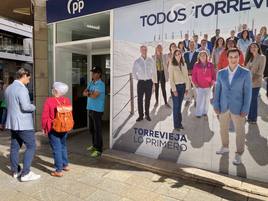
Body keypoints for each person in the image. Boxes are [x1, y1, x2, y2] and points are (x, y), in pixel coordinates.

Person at [214, 48, 252, 165]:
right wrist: (216, 104)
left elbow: (248, 93)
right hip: (223, 106)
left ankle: (239, 153)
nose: (233, 59)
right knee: (223, 129)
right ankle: (225, 147)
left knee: (240, 132)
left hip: (238, 108)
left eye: (236, 57)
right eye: (231, 57)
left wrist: (245, 109)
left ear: (239, 58)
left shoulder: (245, 73)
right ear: (227, 58)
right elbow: (217, 90)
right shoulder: (221, 73)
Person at [5, 68, 40, 181]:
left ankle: (15, 171)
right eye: (28, 78)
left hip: (13, 123)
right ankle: (26, 173)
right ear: (24, 75)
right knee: (31, 146)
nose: (29, 81)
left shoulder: (8, 88)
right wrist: (33, 106)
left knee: (15, 147)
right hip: (24, 124)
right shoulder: (22, 89)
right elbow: (25, 107)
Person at [42, 82, 71, 177]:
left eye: (53, 88)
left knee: (56, 148)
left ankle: (58, 170)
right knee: (63, 146)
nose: (52, 89)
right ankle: (65, 165)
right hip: (64, 127)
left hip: (53, 127)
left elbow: (45, 116)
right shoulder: (67, 100)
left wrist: (44, 128)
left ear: (56, 90)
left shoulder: (49, 101)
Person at [83, 67, 105, 157]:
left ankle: (99, 149)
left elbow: (95, 95)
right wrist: (89, 93)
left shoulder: (101, 84)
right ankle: (94, 145)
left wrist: (88, 93)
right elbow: (84, 92)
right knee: (92, 129)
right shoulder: (91, 83)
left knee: (97, 130)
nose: (93, 75)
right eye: (92, 73)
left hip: (97, 110)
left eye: (95, 73)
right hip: (90, 108)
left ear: (99, 74)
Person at [244, 43, 266, 124]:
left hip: (256, 83)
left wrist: (251, 81)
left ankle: (253, 118)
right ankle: (250, 117)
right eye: (251, 47)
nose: (253, 48)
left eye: (255, 47)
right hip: (248, 83)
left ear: (258, 48)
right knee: (249, 100)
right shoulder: (250, 58)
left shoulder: (262, 57)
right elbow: (246, 70)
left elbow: (260, 72)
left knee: (253, 100)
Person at [132, 45, 155, 122]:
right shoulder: (137, 61)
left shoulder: (150, 60)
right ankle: (140, 116)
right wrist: (138, 79)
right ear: (140, 51)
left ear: (147, 50)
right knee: (140, 100)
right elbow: (134, 72)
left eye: (145, 49)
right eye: (142, 50)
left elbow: (154, 70)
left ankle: (147, 114)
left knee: (148, 99)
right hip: (141, 82)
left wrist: (151, 79)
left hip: (149, 82)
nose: (144, 51)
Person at [169, 49, 190, 131]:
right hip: (176, 88)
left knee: (179, 106)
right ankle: (176, 125)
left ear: (181, 55)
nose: (178, 55)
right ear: (174, 56)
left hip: (183, 87)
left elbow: (187, 77)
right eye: (176, 54)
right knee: (176, 107)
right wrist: (174, 90)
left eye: (179, 54)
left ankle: (179, 123)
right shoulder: (171, 65)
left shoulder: (184, 64)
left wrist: (187, 88)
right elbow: (171, 79)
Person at [192, 51, 216, 118]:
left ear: (206, 56)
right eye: (201, 55)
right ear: (199, 57)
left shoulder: (210, 64)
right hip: (199, 86)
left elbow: (214, 74)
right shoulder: (196, 65)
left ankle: (205, 112)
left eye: (204, 55)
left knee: (207, 99)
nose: (203, 57)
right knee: (200, 100)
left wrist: (213, 82)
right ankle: (198, 113)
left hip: (208, 86)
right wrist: (195, 83)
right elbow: (193, 75)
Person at [184, 41, 199, 106]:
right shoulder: (185, 54)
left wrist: (193, 71)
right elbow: (184, 64)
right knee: (188, 87)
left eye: (193, 45)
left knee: (195, 88)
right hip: (187, 73)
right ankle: (188, 100)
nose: (191, 46)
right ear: (189, 46)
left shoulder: (198, 53)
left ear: (195, 46)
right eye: (190, 45)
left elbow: (199, 64)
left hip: (195, 74)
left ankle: (196, 100)